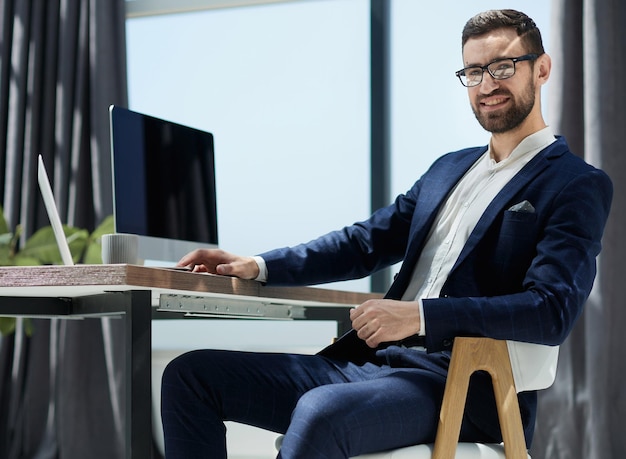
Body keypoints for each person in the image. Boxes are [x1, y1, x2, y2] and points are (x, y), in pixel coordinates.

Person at [160, 9, 613, 458]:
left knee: (320, 413)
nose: (487, 84)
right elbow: (363, 242)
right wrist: (258, 265)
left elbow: (551, 310)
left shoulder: (574, 183)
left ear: (542, 68)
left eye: (502, 67)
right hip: (369, 365)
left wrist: (420, 317)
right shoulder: (448, 169)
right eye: (473, 72)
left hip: (461, 382)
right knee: (190, 376)